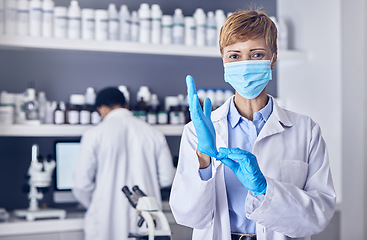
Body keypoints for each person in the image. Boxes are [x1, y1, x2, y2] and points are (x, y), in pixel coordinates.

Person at [169, 10, 336, 240]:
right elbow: (188, 216)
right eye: (235, 56)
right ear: (224, 61)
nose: (245, 65)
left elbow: (319, 215)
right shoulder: (198, 133)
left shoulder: (306, 131)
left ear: (273, 59)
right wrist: (203, 159)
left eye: (256, 54)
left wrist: (265, 190)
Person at [72, 87, 175, 240]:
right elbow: (168, 177)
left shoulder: (93, 135)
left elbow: (81, 184)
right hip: (146, 220)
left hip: (105, 221)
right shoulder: (154, 134)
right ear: (126, 106)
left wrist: (97, 203)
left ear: (101, 110)